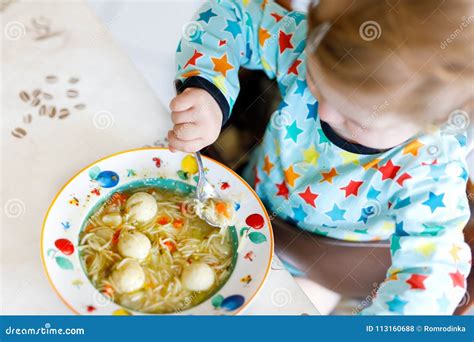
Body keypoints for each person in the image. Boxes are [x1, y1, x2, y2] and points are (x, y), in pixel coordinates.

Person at [168, 0, 473, 314]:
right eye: (315, 81)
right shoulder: (313, 44)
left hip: (321, 268)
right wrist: (208, 90)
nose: (323, 112)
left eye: (355, 118)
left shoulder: (432, 170)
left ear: (428, 122)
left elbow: (432, 281)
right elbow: (230, 15)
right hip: (247, 202)